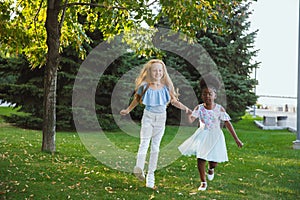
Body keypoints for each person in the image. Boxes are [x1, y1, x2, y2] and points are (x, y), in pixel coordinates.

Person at [120, 59, 191, 189]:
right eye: (155, 70)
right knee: (144, 142)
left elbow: (174, 101)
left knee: (155, 147)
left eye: (160, 70)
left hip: (161, 118)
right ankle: (139, 168)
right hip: (148, 117)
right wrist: (128, 110)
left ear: (163, 72)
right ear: (150, 72)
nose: (158, 72)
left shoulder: (167, 87)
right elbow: (136, 100)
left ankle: (150, 175)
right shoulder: (145, 86)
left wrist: (186, 109)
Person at [178, 74, 243, 191]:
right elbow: (191, 120)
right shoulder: (200, 108)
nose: (207, 96)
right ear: (202, 95)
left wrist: (236, 139)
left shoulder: (219, 109)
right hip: (203, 134)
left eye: (210, 94)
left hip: (216, 136)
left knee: (214, 161)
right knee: (201, 158)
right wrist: (188, 114)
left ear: (215, 95)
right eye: (205, 94)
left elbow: (228, 124)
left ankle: (211, 168)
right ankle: (203, 182)